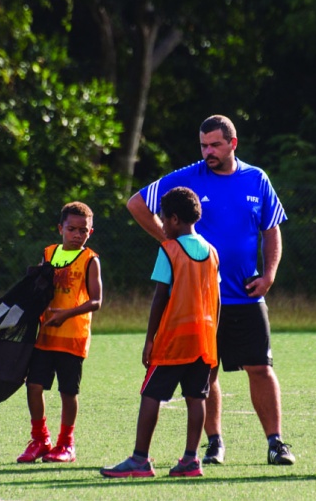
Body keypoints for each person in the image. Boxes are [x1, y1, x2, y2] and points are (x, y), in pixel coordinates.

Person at [126, 114, 295, 466]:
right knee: (208, 371)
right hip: (202, 302)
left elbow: (272, 229)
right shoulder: (189, 176)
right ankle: (214, 443)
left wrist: (269, 275)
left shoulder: (257, 178)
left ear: (233, 143)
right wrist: (172, 245)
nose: (208, 152)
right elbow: (137, 204)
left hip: (248, 294)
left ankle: (276, 442)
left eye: (215, 144)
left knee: (260, 367)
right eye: (203, 145)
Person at [102, 187, 220, 478]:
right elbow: (217, 300)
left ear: (175, 219)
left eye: (164, 220)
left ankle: (140, 459)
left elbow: (160, 297)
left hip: (173, 338)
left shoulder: (169, 249)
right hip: (204, 337)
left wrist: (149, 339)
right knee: (196, 397)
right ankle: (191, 460)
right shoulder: (212, 251)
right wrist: (214, 337)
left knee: (151, 394)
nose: (162, 225)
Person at [17, 201, 104, 464]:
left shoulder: (91, 260)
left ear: (90, 232)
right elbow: (38, 288)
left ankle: (66, 444)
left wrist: (64, 315)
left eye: (83, 230)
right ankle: (40, 440)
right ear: (60, 228)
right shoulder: (48, 253)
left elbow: (96, 301)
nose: (77, 234)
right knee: (33, 386)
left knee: (68, 392)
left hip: (72, 337)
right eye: (72, 229)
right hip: (45, 337)